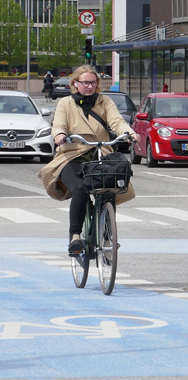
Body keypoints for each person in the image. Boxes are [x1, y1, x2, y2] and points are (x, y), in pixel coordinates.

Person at [36, 65, 138, 255]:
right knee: (80, 189)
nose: (89, 86)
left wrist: (129, 133)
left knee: (110, 187)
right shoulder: (65, 103)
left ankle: (107, 234)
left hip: (101, 151)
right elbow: (59, 124)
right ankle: (75, 236)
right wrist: (59, 135)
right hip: (72, 154)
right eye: (85, 82)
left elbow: (117, 121)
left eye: (93, 82)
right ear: (75, 83)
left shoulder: (105, 101)